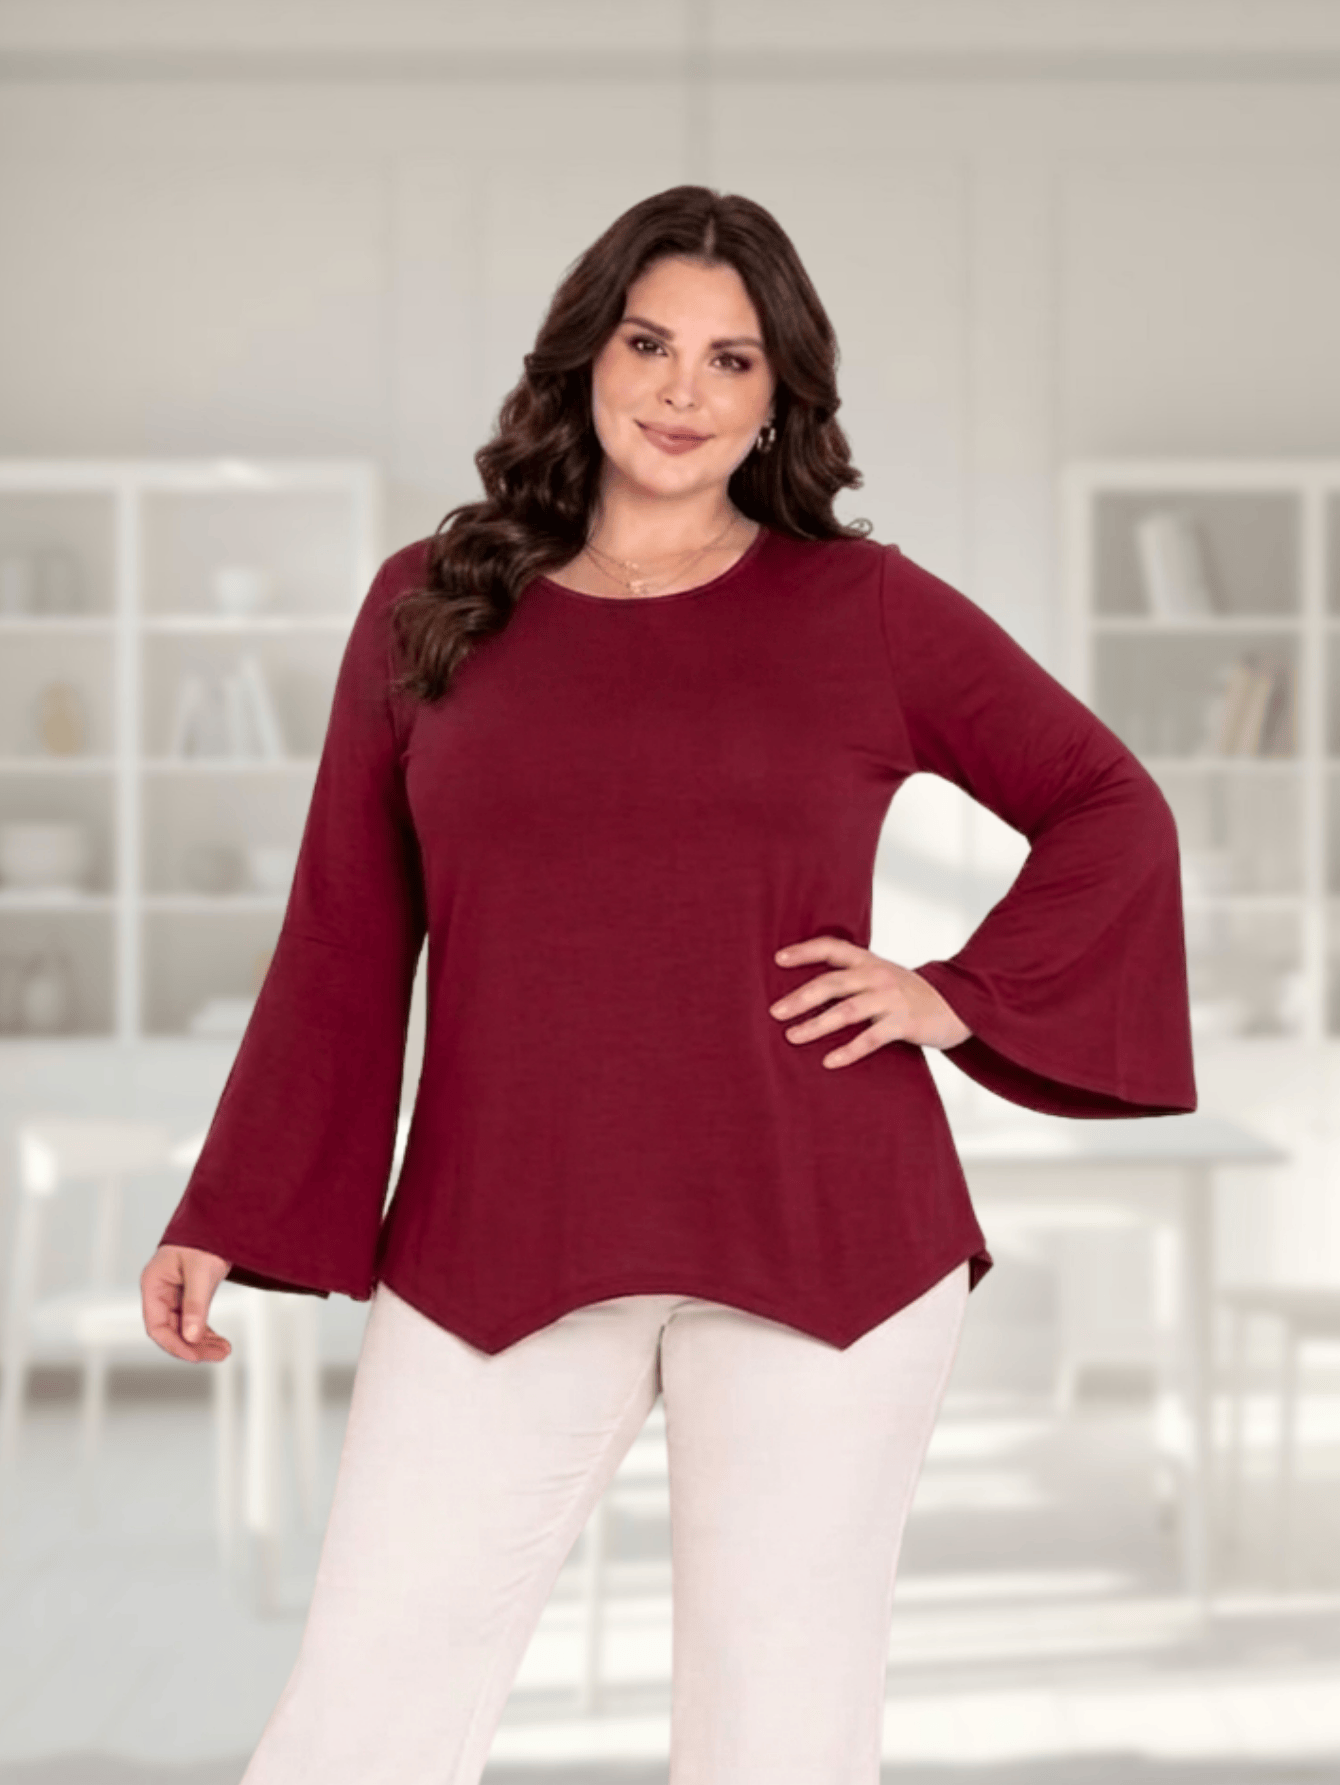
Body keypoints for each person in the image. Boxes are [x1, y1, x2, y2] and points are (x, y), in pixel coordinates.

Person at [140, 185, 1197, 1785]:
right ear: (586, 355)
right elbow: (345, 932)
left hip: (822, 1229)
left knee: (778, 1743)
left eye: (731, 359)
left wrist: (954, 992)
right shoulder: (432, 600)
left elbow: (1109, 803)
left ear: (780, 398)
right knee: (361, 1723)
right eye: (649, 344)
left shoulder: (864, 609)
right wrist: (227, 1205)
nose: (682, 390)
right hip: (501, 1229)